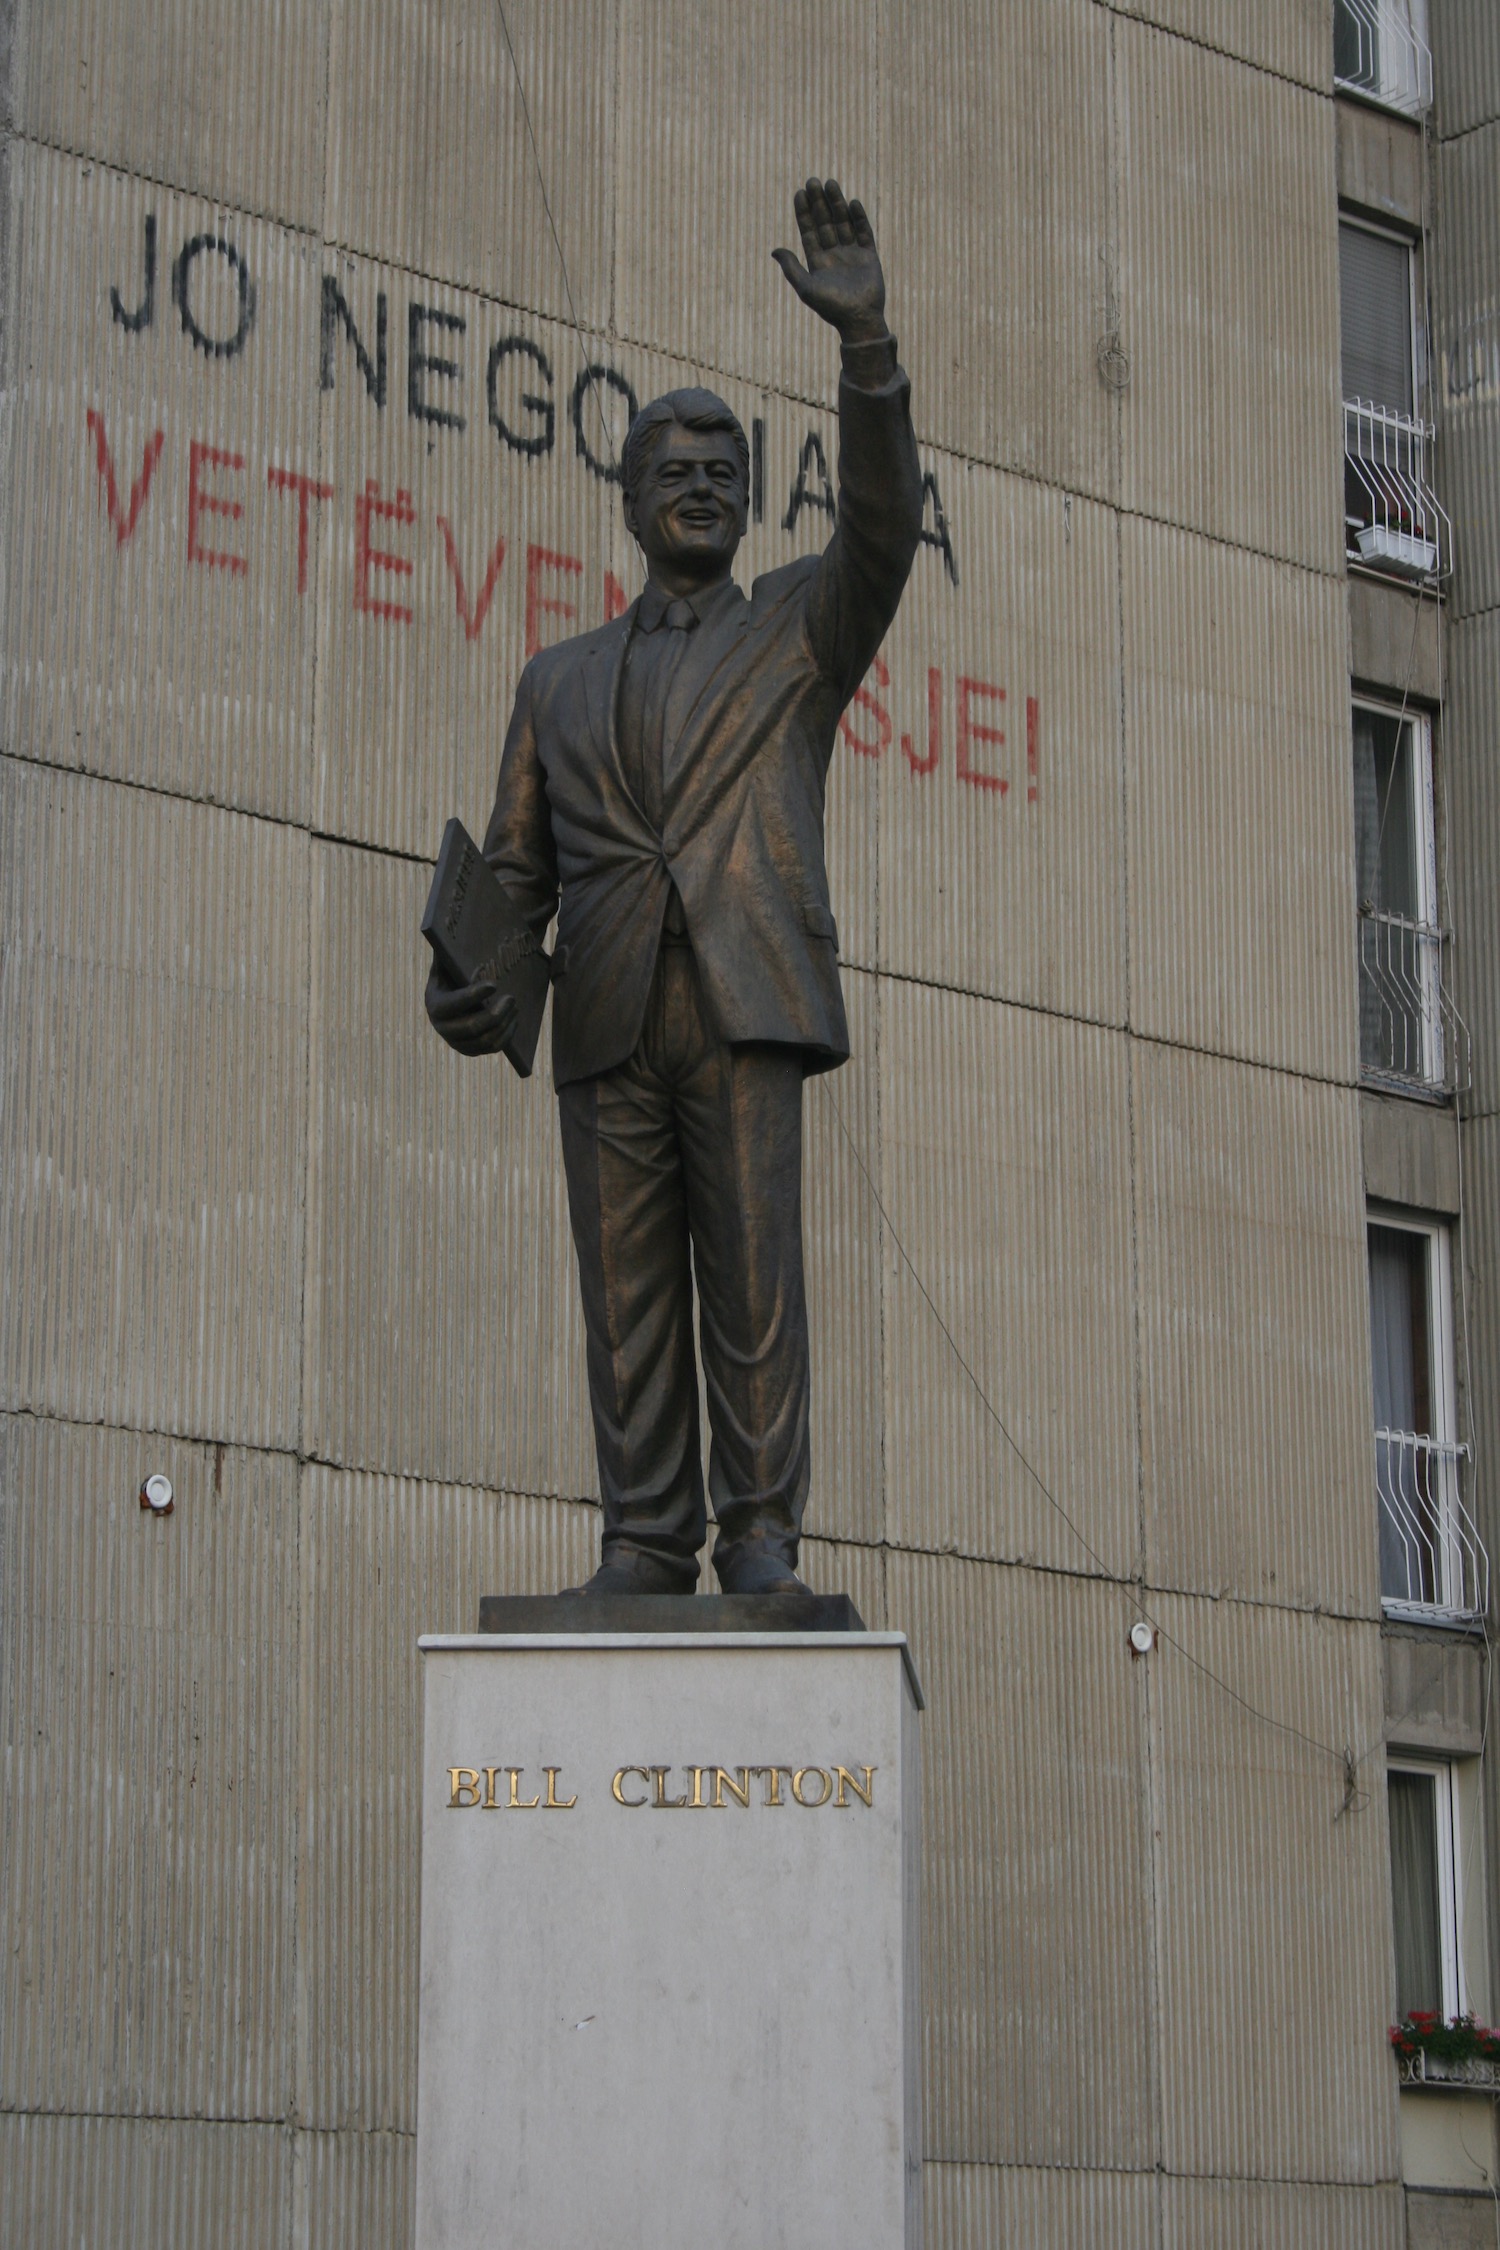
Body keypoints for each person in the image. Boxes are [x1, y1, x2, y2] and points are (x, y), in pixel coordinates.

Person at [425, 178, 922, 1594]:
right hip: (608, 1010)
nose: (699, 486)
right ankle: (644, 1538)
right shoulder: (558, 680)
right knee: (627, 1298)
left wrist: (867, 348)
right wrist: (470, 980)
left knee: (754, 1282)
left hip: (747, 989)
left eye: (723, 471)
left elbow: (882, 535)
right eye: (674, 470)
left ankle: (759, 1533)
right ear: (632, 500)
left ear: (748, 502)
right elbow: (517, 875)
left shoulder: (797, 636)